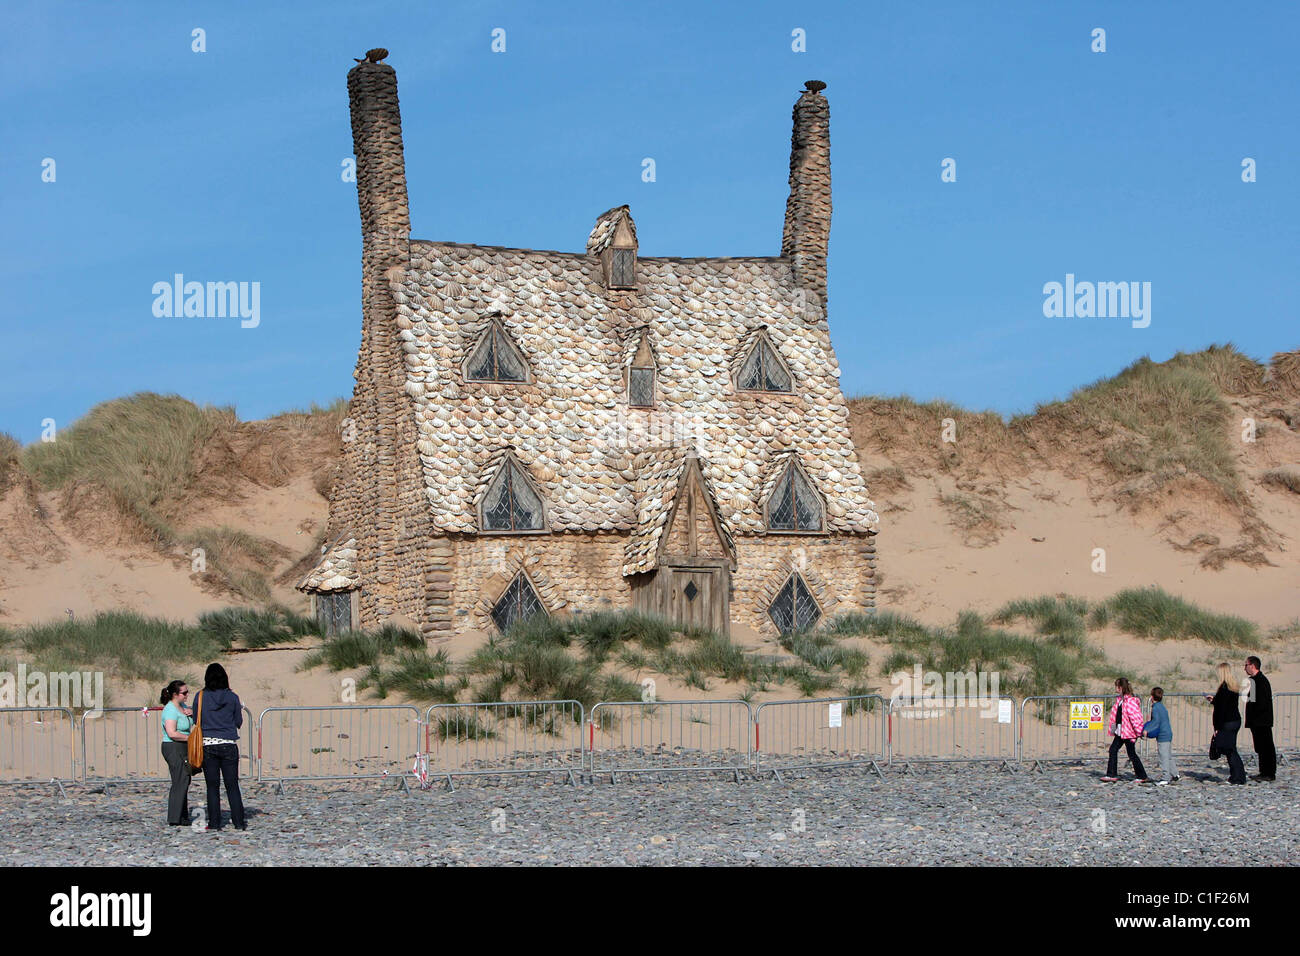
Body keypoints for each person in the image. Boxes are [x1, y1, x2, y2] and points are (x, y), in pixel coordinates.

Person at [193, 663, 247, 831]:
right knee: (232, 785)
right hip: (228, 743)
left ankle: (215, 822)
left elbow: (196, 719)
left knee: (212, 786)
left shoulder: (201, 696)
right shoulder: (232, 697)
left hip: (209, 744)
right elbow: (238, 721)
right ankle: (239, 821)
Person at [1206, 662, 1247, 785]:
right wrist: (1215, 701)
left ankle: (1238, 777)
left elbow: (1221, 710)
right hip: (1234, 720)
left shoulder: (1224, 688)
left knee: (1230, 750)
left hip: (1227, 722)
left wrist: (1217, 727)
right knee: (1231, 749)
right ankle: (1237, 776)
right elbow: (1224, 705)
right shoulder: (1233, 686)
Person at [159, 680, 194, 825]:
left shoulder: (182, 706)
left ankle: (182, 815)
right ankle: (174, 817)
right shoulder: (170, 709)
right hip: (173, 746)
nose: (186, 695)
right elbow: (172, 732)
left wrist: (191, 713)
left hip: (183, 746)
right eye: (184, 693)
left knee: (185, 779)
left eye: (187, 692)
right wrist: (190, 738)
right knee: (180, 780)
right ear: (175, 694)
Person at [1101, 678, 1149, 783]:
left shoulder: (1130, 701)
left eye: (1117, 686)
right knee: (1113, 750)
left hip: (1129, 733)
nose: (1115, 688)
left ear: (1121, 687)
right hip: (1120, 732)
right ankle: (1111, 774)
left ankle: (1142, 775)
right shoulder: (1119, 700)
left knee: (1131, 754)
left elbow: (1136, 718)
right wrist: (1113, 731)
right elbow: (1115, 717)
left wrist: (1138, 733)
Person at [1244, 656, 1275, 781]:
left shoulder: (1260, 681)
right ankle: (1264, 772)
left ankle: (1268, 773)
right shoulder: (1255, 681)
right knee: (1261, 747)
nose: (1244, 668)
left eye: (1246, 665)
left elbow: (1260, 703)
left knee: (1266, 747)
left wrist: (1255, 716)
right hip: (1257, 721)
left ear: (1252, 666)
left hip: (1261, 721)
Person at [1143, 686, 1178, 785]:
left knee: (1163, 757)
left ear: (1152, 697)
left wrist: (1146, 730)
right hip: (1168, 733)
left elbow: (1156, 722)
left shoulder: (1156, 708)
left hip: (1163, 735)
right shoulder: (1162, 706)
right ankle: (1175, 774)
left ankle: (1165, 777)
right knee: (1168, 756)